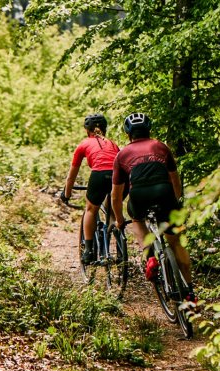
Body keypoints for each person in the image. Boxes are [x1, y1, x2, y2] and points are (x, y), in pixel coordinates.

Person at [111, 112, 196, 303]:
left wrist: (118, 219)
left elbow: (116, 195)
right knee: (176, 242)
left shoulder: (122, 154)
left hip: (139, 196)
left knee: (137, 219)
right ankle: (190, 292)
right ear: (149, 130)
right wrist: (174, 203)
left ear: (128, 134)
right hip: (164, 193)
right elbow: (175, 182)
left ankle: (149, 257)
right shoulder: (161, 146)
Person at [61, 113, 120, 264]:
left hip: (99, 174)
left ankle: (88, 251)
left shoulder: (84, 144)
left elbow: (71, 176)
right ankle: (121, 247)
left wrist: (66, 194)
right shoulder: (113, 144)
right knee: (112, 207)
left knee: (90, 210)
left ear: (88, 131)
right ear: (105, 129)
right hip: (119, 176)